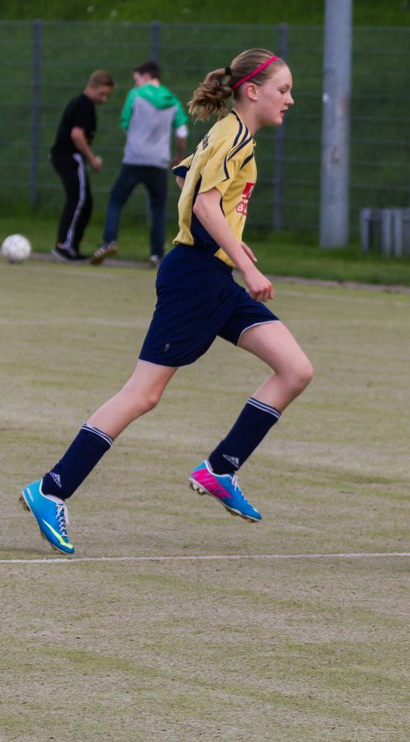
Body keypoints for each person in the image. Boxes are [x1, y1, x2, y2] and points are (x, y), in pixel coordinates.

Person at [20, 49, 314, 555]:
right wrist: (246, 265)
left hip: (213, 275)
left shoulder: (225, 133)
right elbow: (202, 201)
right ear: (252, 91)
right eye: (283, 90)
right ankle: (51, 489)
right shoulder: (235, 138)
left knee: (295, 369)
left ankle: (220, 468)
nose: (290, 99)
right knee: (143, 394)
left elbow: (186, 178)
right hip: (195, 278)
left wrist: (233, 241)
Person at [91, 61, 190, 268]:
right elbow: (182, 132)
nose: (135, 83)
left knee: (116, 201)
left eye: (136, 78)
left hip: (134, 159)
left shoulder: (134, 95)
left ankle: (110, 241)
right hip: (159, 161)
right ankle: (156, 255)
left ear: (145, 76)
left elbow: (125, 123)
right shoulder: (172, 99)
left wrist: (137, 140)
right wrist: (179, 155)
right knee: (158, 207)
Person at [49, 69, 114, 261]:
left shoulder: (82, 104)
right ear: (92, 87)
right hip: (70, 157)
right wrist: (92, 158)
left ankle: (72, 247)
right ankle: (64, 246)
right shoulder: (83, 105)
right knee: (78, 200)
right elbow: (77, 135)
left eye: (107, 95)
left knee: (85, 202)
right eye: (102, 94)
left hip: (67, 157)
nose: (104, 99)